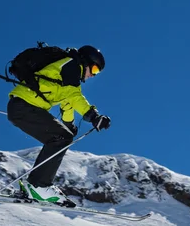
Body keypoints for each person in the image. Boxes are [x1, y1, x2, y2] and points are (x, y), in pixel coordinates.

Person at [6, 45, 111, 207]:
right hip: (24, 107)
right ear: (87, 62)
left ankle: (35, 186)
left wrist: (69, 125)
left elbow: (67, 102)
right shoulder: (72, 65)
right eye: (95, 70)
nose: (92, 75)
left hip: (21, 107)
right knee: (60, 138)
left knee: (63, 137)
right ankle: (38, 186)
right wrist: (93, 116)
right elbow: (75, 96)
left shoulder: (68, 72)